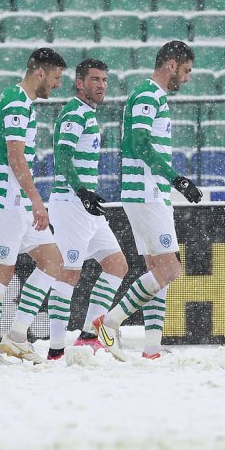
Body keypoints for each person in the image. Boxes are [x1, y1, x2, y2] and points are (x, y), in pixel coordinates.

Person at [95, 41, 203, 361]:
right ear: (170, 65)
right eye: (185, 71)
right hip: (147, 192)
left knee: (157, 271)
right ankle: (109, 321)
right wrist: (176, 179)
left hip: (148, 192)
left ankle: (152, 348)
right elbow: (140, 143)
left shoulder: (151, 96)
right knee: (169, 270)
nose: (186, 78)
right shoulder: (147, 95)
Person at [0, 47, 72, 365]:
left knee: (53, 262)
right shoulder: (17, 102)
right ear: (39, 73)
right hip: (5, 200)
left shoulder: (21, 102)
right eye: (56, 78)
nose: (58, 85)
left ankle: (16, 336)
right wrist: (37, 201)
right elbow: (15, 157)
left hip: (16, 203)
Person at [46, 58, 128, 360]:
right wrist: (81, 191)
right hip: (71, 204)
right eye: (95, 79)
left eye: (105, 80)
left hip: (85, 206)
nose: (101, 85)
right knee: (69, 273)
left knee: (117, 265)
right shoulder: (74, 113)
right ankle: (55, 349)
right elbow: (63, 156)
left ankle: (89, 336)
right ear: (79, 83)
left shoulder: (87, 114)